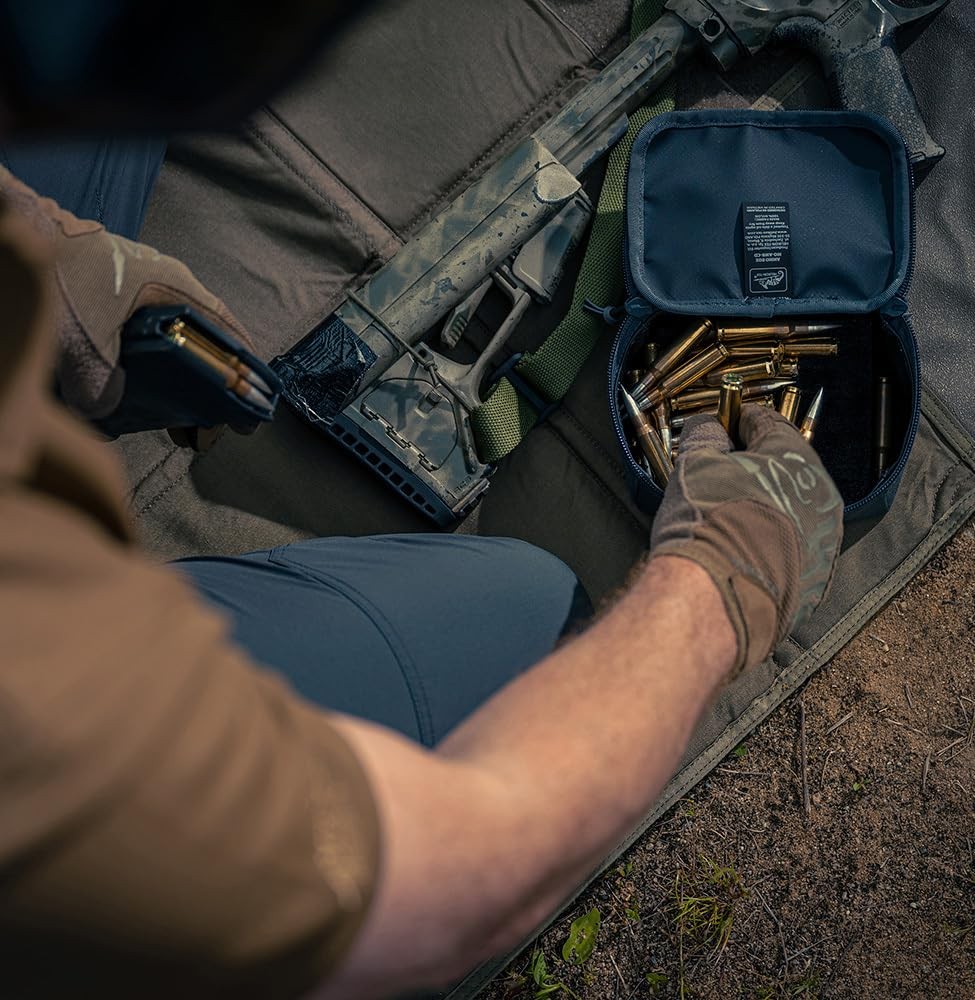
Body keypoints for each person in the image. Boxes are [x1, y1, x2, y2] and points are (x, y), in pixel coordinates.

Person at [0, 3, 845, 998]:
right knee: (535, 615)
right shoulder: (56, 727)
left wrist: (46, 254)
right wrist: (722, 585)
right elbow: (451, 876)